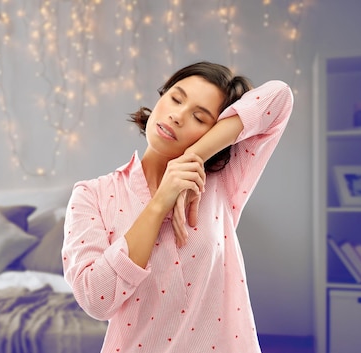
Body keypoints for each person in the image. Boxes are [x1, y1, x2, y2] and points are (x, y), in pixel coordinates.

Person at [61, 61, 293, 353]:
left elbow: (279, 96)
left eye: (200, 117)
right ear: (161, 97)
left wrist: (192, 157)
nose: (178, 116)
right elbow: (96, 299)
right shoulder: (91, 194)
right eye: (175, 98)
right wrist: (159, 203)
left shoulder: (222, 182)